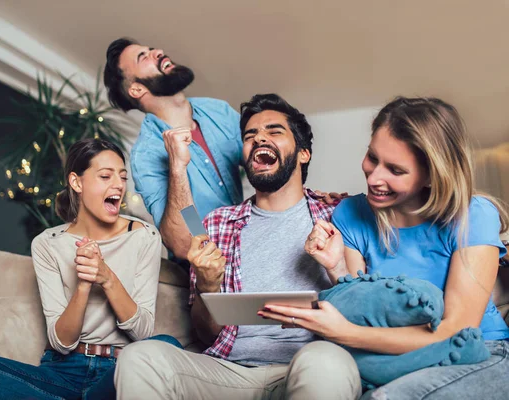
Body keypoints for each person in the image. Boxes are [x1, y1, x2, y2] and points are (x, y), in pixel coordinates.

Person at [114, 94, 362, 400]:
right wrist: (207, 285)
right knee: (141, 358)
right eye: (249, 135)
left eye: (274, 131)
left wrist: (335, 267)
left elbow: (365, 306)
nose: (259, 138)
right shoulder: (217, 223)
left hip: (311, 362)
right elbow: (206, 333)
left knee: (325, 362)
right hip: (231, 370)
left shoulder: (339, 214)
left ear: (303, 154)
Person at [259, 97, 509, 399]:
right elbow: (365, 305)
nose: (375, 177)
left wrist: (344, 333)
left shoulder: (473, 215)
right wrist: (336, 267)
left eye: (396, 170)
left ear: (432, 175)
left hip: (479, 354)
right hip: (390, 360)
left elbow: (452, 331)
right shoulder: (350, 214)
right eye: (372, 157)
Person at [0, 138, 181, 400]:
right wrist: (83, 285)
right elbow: (62, 342)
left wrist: (107, 278)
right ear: (76, 182)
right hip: (63, 372)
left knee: (167, 347)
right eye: (105, 176)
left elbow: (142, 332)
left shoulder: (144, 236)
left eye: (122, 176)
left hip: (121, 370)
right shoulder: (48, 244)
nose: (118, 184)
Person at [104, 38, 343, 260]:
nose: (157, 52)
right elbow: (182, 242)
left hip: (248, 242)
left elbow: (268, 160)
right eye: (143, 57)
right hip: (206, 264)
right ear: (136, 90)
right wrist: (178, 168)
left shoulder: (217, 111)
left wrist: (310, 198)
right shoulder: (146, 155)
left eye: (151, 49)